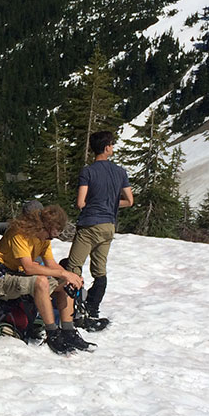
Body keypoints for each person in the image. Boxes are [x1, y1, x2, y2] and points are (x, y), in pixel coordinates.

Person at [0, 205, 93, 354]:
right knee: (41, 282)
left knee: (67, 283)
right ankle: (52, 333)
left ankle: (68, 330)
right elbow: (28, 267)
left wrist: (70, 276)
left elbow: (51, 263)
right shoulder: (19, 234)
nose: (50, 239)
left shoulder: (42, 237)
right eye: (50, 236)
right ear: (42, 227)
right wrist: (64, 274)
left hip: (19, 276)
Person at [64, 130, 134, 328]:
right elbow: (129, 200)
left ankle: (72, 311)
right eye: (111, 144)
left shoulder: (88, 171)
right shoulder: (120, 172)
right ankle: (92, 308)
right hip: (108, 226)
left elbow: (80, 202)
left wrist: (94, 204)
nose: (112, 147)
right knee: (100, 270)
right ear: (107, 148)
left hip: (89, 225)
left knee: (74, 267)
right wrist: (111, 203)